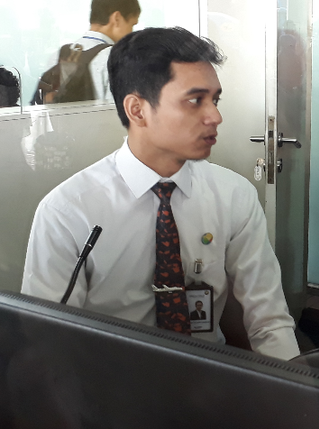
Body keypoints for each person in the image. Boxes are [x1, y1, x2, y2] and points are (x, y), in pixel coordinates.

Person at [22, 27, 300, 360]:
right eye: (195, 100)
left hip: (210, 381)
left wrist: (295, 402)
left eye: (215, 99)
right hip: (110, 388)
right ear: (137, 110)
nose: (215, 116)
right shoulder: (69, 211)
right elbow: (49, 340)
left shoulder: (233, 196)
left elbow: (268, 319)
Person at [32, 0, 140, 104]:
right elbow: (118, 116)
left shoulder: (58, 56)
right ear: (117, 18)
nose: (131, 32)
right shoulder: (116, 58)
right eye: (132, 25)